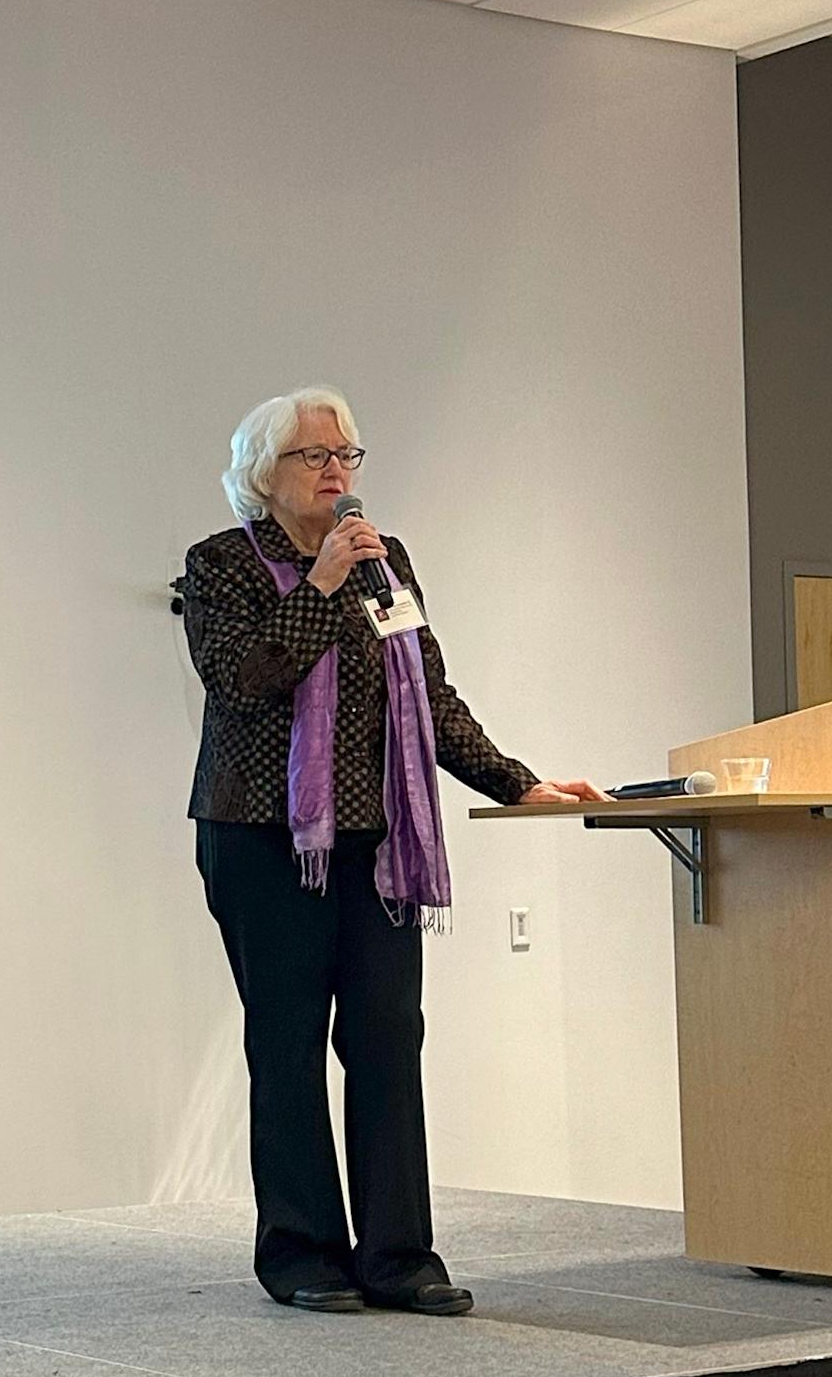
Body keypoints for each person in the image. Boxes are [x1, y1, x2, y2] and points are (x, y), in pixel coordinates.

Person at [179, 387, 607, 1317]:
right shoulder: (222, 565)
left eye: (348, 456)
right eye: (314, 456)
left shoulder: (388, 562)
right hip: (264, 842)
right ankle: (301, 1255)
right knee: (285, 1043)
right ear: (265, 474)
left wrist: (515, 780)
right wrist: (324, 585)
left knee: (386, 1037)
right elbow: (242, 681)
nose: (337, 472)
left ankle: (398, 1257)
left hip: (377, 843)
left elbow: (431, 697)